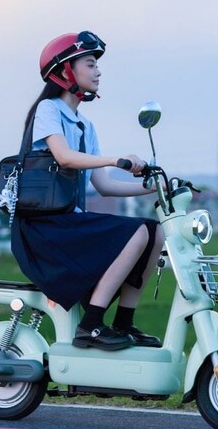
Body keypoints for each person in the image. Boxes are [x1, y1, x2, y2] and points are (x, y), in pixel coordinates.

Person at [11, 30, 165, 351]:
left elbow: (103, 185)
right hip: (45, 227)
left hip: (70, 224)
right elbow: (64, 157)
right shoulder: (48, 110)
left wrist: (150, 188)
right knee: (136, 232)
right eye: (91, 63)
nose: (98, 71)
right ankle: (91, 325)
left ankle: (124, 323)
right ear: (67, 71)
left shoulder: (86, 126)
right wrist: (116, 159)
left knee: (155, 232)